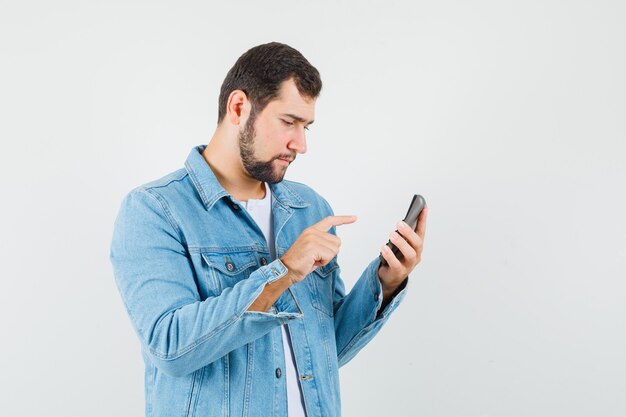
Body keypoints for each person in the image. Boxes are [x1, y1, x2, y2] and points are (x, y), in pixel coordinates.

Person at [110, 42, 428, 417]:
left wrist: (386, 283)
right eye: (288, 122)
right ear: (239, 107)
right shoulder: (155, 210)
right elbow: (170, 348)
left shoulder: (309, 209)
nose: (301, 144)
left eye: (306, 126)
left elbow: (325, 350)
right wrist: (283, 272)